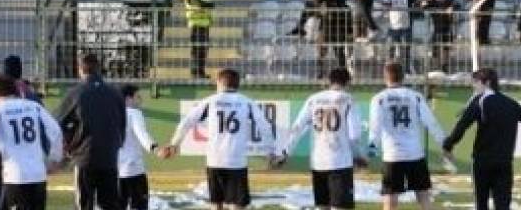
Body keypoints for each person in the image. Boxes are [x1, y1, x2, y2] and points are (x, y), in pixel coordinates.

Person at [442, 68, 521, 210]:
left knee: (481, 203)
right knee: (503, 204)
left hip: (482, 162)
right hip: (504, 162)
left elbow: (462, 126)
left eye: (476, 82)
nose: (474, 86)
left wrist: (448, 145)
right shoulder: (510, 103)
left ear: (487, 83)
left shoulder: (479, 102)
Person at [163, 70, 277, 210]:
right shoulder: (246, 102)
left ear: (219, 82)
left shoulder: (210, 101)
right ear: (238, 84)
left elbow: (186, 122)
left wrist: (174, 143)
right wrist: (270, 152)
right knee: (237, 204)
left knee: (216, 203)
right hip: (236, 161)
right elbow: (264, 126)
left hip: (215, 160)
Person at [279, 67, 365, 210]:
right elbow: (354, 133)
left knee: (322, 206)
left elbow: (297, 127)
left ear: (329, 81)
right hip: (339, 162)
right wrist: (358, 155)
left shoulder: (313, 99)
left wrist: (286, 152)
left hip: (318, 163)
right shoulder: (348, 99)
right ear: (348, 82)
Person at [368, 62, 446, 210]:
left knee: (390, 198)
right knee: (423, 196)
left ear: (385, 77)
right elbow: (431, 122)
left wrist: (372, 149)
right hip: (414, 153)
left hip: (393, 154)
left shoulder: (379, 98)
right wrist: (444, 143)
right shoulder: (415, 96)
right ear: (403, 77)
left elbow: (375, 126)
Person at [56, 53, 127, 210]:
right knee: (110, 204)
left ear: (80, 69)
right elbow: (122, 124)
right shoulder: (115, 93)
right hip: (109, 157)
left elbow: (57, 121)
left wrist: (67, 145)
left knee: (83, 204)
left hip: (84, 157)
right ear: (98, 69)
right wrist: (116, 145)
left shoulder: (76, 92)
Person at [0, 73, 64, 210]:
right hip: (38, 174)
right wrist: (54, 158)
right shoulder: (34, 106)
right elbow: (55, 132)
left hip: (15, 175)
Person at [117, 86, 157, 210]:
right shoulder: (134, 113)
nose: (140, 100)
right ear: (128, 99)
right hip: (133, 169)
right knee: (140, 206)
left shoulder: (110, 114)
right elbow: (142, 134)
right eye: (137, 97)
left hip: (114, 171)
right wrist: (154, 148)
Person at [314, 0, 351, 77]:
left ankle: (343, 73)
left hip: (338, 25)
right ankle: (320, 72)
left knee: (339, 51)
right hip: (325, 24)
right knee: (321, 50)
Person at [417, 0, 458, 74]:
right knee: (435, 49)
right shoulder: (433, 1)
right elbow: (423, 6)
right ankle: (436, 67)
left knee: (446, 49)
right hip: (437, 28)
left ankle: (444, 67)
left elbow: (455, 6)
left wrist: (451, 9)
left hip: (447, 28)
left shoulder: (449, 0)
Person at [381, 0, 416, 71]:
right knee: (391, 48)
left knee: (406, 49)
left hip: (405, 27)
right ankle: (389, 68)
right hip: (393, 27)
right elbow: (384, 3)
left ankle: (407, 69)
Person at [185, 0, 214, 79]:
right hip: (195, 25)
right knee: (196, 50)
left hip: (205, 26)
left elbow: (211, 6)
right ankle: (194, 72)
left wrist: (203, 8)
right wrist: (204, 8)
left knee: (203, 49)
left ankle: (201, 72)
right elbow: (197, 8)